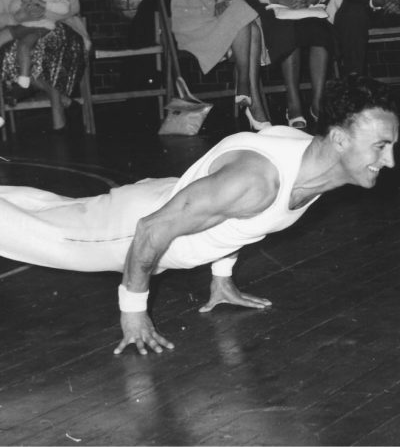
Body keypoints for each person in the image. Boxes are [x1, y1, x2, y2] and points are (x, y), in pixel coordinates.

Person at [0, 76, 397, 355]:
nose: (390, 160)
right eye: (380, 146)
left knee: (42, 209)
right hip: (125, 231)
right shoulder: (257, 182)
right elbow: (152, 229)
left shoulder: (309, 157)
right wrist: (133, 314)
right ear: (340, 139)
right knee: (20, 230)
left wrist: (221, 279)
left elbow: (237, 219)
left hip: (166, 200)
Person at [164, 0, 270, 131]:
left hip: (223, 23)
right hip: (193, 27)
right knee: (250, 25)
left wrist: (226, 2)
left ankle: (246, 91)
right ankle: (247, 92)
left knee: (247, 20)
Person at [0, 0, 90, 132]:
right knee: (15, 51)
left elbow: (73, 5)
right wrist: (18, 16)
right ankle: (61, 103)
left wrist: (43, 12)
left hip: (58, 28)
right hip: (21, 30)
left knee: (37, 48)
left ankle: (57, 110)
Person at [242, 0, 332, 127]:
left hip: (304, 7)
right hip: (270, 10)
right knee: (288, 31)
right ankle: (294, 104)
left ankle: (317, 103)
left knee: (321, 31)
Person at [8, 0, 70, 99]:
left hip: (41, 28)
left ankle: (23, 82)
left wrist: (44, 4)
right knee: (3, 35)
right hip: (23, 25)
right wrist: (21, 1)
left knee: (24, 46)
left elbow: (64, 8)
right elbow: (12, 7)